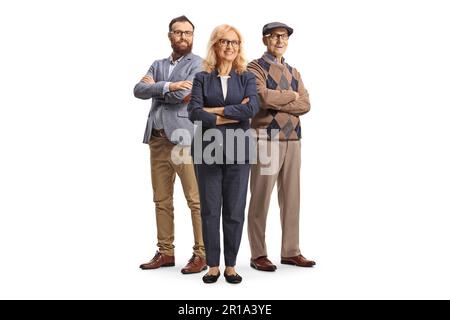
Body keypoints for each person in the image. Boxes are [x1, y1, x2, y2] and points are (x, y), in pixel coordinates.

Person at [134, 15, 206, 274]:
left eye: (188, 33)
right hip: (156, 138)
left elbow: (183, 95)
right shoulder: (158, 64)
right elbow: (138, 90)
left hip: (184, 139)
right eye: (178, 32)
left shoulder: (199, 64)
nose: (183, 37)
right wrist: (169, 85)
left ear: (193, 36)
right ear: (170, 36)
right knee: (161, 199)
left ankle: (201, 253)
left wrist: (160, 88)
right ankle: (165, 252)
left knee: (195, 200)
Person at [188, 25, 259, 284]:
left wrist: (214, 112)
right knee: (209, 210)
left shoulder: (246, 76)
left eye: (235, 42)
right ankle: (213, 266)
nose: (230, 47)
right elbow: (194, 111)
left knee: (234, 210)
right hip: (207, 149)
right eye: (224, 42)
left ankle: (230, 265)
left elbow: (251, 109)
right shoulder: (202, 77)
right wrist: (229, 114)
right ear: (215, 45)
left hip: (239, 151)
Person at [247, 22, 316, 272]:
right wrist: (292, 96)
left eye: (284, 36)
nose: (280, 40)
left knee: (291, 198)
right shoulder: (255, 67)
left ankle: (290, 251)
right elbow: (262, 98)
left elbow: (306, 104)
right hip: (265, 139)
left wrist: (281, 99)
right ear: (265, 40)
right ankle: (258, 254)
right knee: (261, 197)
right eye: (275, 36)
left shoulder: (294, 71)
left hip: (293, 140)